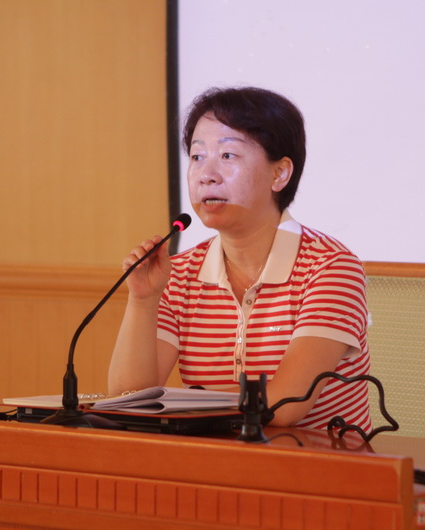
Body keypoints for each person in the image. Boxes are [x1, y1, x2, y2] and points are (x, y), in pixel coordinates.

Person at [108, 87, 371, 431]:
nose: (206, 174)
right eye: (197, 157)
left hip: (317, 460)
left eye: (228, 155)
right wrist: (143, 300)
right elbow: (127, 399)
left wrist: (175, 404)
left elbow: (285, 405)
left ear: (279, 174)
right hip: (216, 459)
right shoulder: (179, 273)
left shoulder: (331, 268)